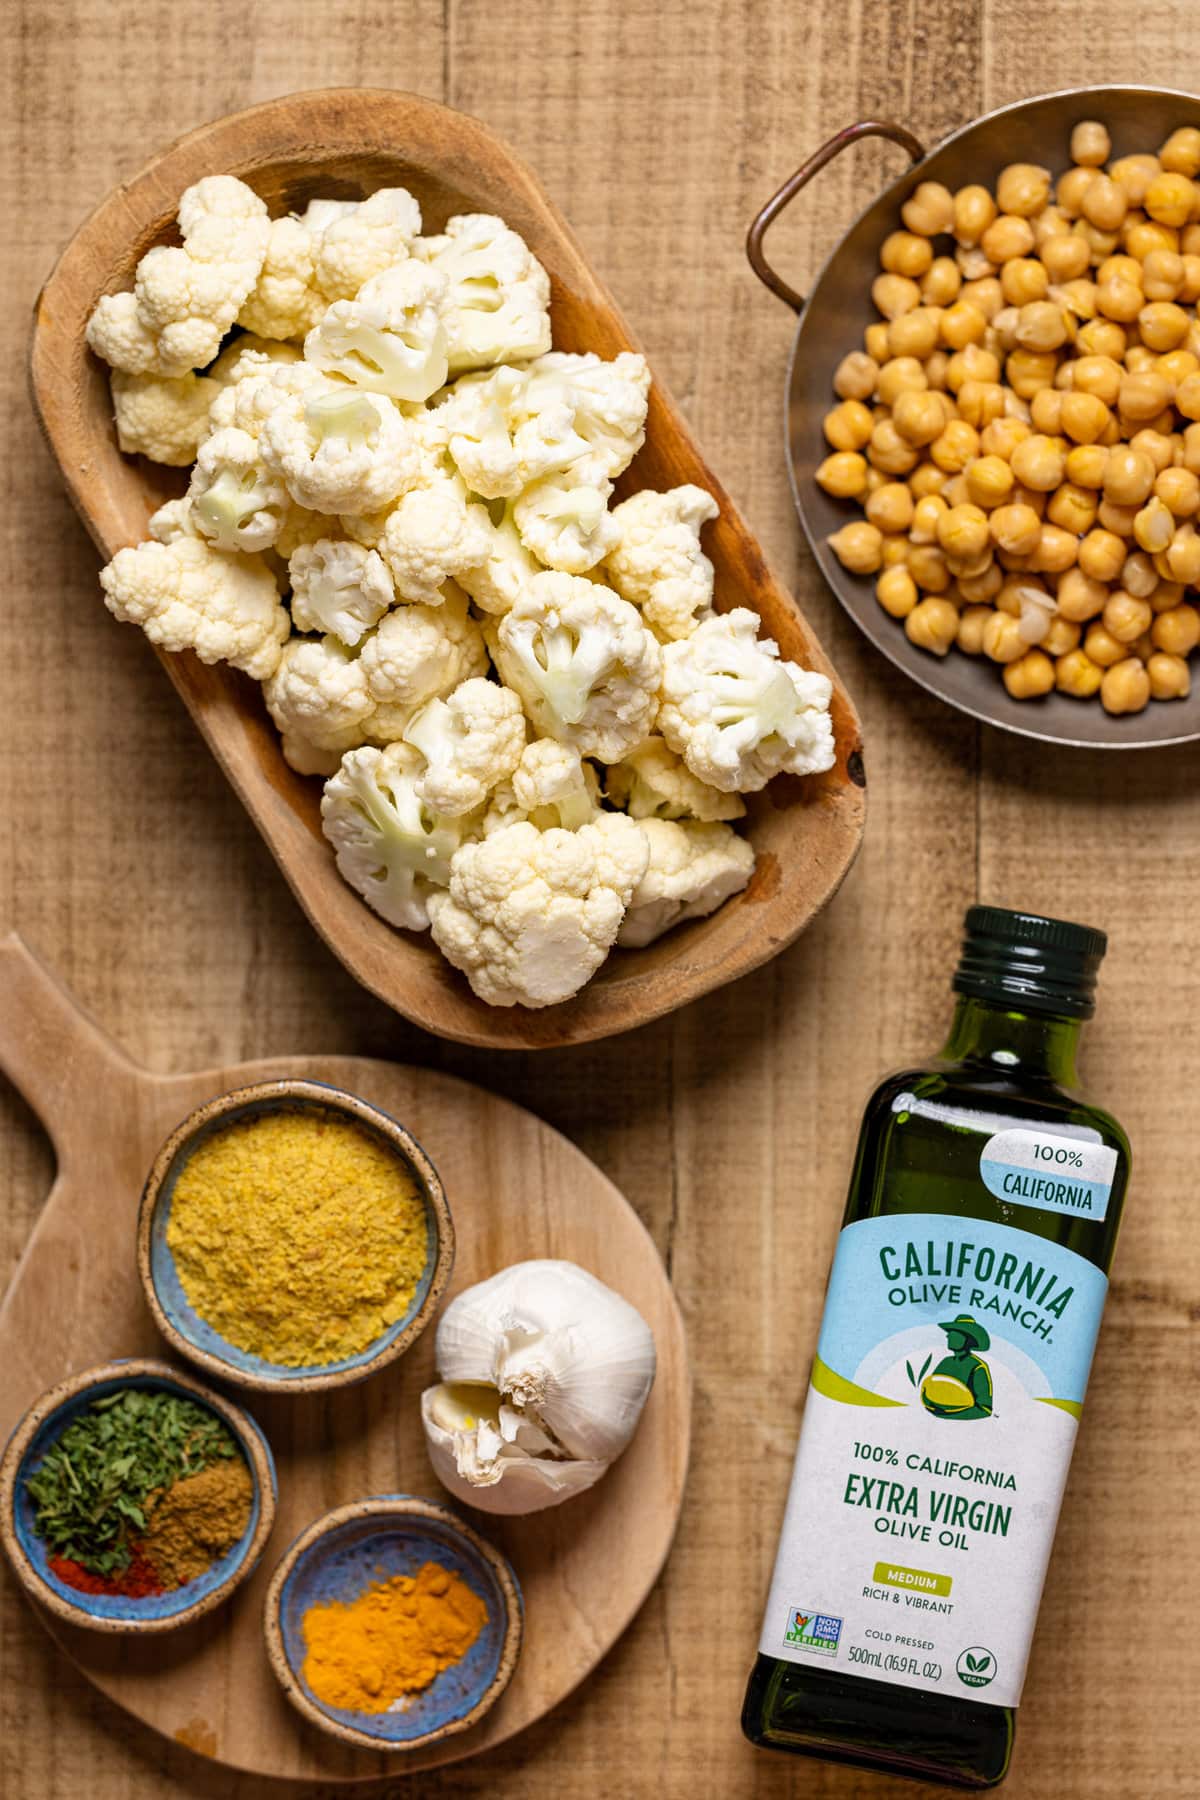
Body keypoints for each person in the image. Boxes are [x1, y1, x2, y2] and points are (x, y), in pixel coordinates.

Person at [922, 1313, 993, 1420]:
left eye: (953, 1333)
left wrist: (947, 1416)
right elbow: (930, 1391)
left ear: (967, 1339)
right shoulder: (945, 1362)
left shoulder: (978, 1367)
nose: (948, 1336)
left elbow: (985, 1409)